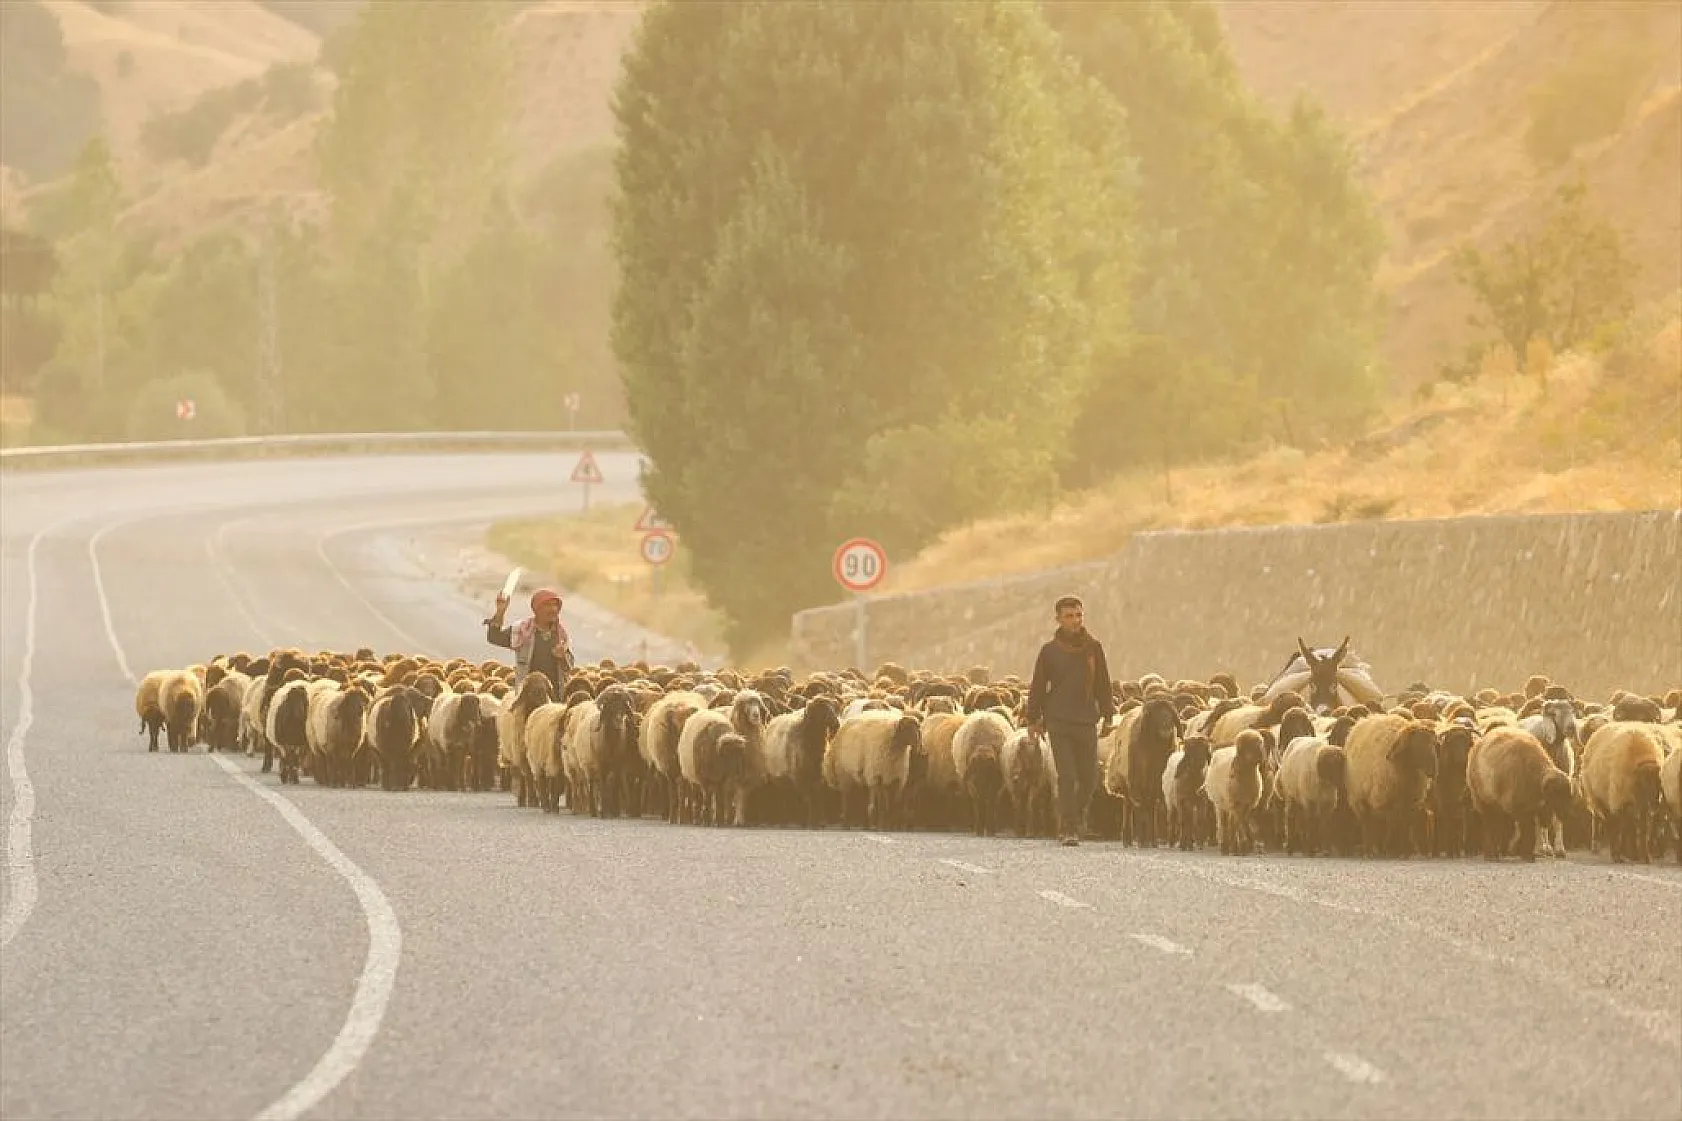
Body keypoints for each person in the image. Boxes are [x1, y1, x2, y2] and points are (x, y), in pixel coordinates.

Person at [1025, 594, 1117, 847]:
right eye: (1069, 616)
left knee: (1089, 778)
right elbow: (1039, 686)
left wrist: (1108, 714)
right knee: (1067, 775)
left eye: (1078, 615)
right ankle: (1068, 827)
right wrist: (1033, 718)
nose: (1075, 621)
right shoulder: (1049, 651)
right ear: (1058, 619)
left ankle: (1075, 817)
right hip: (1059, 720)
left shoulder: (1093, 647)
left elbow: (1102, 682)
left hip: (1086, 719)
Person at [485, 588, 575, 687]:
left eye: (555, 605)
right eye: (548, 605)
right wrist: (500, 612)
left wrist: (562, 657)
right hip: (527, 694)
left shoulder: (561, 635)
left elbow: (569, 667)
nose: (553, 609)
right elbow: (495, 637)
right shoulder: (521, 630)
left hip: (555, 696)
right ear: (537, 609)